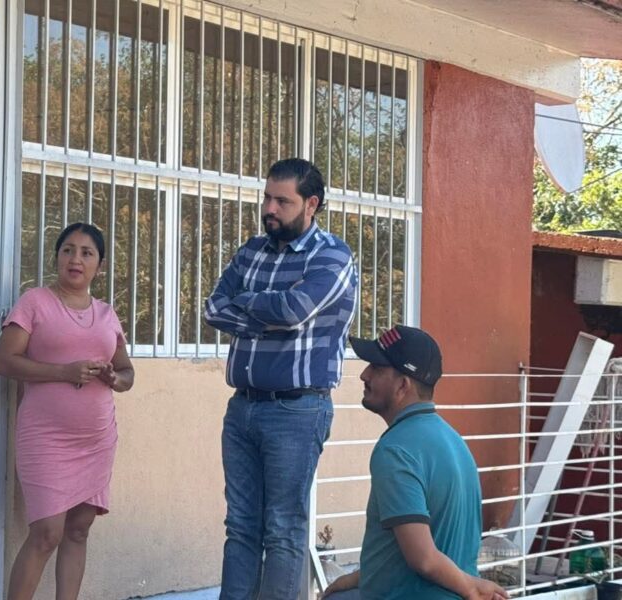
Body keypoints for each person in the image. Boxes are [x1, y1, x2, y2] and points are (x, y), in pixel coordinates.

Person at [204, 158, 357, 599]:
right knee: (240, 527)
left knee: (283, 529)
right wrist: (267, 314)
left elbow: (294, 311)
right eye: (267, 197)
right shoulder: (252, 251)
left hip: (297, 409)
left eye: (282, 201)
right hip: (243, 407)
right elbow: (213, 307)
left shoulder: (332, 256)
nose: (270, 208)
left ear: (311, 204)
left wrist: (247, 302)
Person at [0, 222, 135, 600]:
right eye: (68, 250)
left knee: (79, 529)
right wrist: (63, 372)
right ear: (57, 257)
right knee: (46, 533)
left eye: (87, 253)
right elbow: (4, 361)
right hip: (46, 437)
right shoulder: (35, 302)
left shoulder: (106, 314)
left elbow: (127, 373)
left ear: (100, 266)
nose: (76, 259)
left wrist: (114, 378)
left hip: (96, 438)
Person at [322, 326, 508, 600]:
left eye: (377, 368)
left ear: (402, 385)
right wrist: (354, 578)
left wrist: (471, 588)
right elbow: (406, 551)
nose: (364, 375)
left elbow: (424, 559)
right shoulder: (453, 441)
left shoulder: (396, 450)